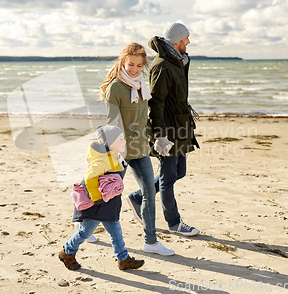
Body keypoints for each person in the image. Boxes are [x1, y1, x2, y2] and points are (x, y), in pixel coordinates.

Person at [126, 23, 200, 236]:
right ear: (177, 40)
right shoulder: (162, 66)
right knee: (168, 178)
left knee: (179, 172)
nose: (189, 41)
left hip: (180, 127)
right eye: (186, 38)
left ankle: (138, 197)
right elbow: (155, 103)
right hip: (167, 130)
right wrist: (160, 136)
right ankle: (174, 223)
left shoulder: (179, 61)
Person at [100, 43, 175, 256]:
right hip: (120, 151)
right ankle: (84, 225)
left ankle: (151, 242)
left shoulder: (142, 85)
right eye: (130, 64)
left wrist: (159, 138)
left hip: (140, 148)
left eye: (138, 65)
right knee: (107, 194)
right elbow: (112, 122)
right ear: (123, 62)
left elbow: (144, 119)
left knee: (149, 193)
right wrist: (116, 150)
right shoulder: (116, 88)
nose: (134, 69)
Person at [59, 125, 145, 271]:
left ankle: (123, 259)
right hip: (98, 204)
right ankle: (67, 252)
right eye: (121, 139)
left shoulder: (112, 156)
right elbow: (89, 178)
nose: (124, 141)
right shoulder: (102, 160)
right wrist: (97, 198)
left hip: (108, 203)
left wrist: (121, 165)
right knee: (85, 232)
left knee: (116, 232)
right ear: (110, 143)